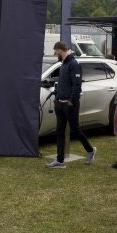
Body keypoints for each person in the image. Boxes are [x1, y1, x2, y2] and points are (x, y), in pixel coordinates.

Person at [46, 41, 96, 169]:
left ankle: (90, 150)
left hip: (70, 104)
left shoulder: (73, 64)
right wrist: (57, 96)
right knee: (59, 131)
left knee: (75, 130)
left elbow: (76, 85)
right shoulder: (63, 64)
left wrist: (71, 101)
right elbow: (63, 83)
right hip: (60, 103)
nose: (55, 54)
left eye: (55, 51)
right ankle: (60, 160)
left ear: (60, 50)